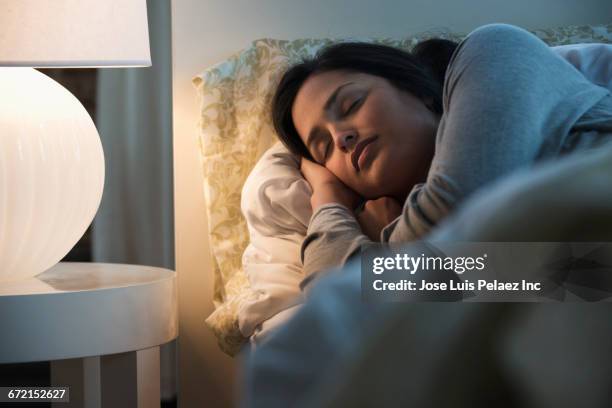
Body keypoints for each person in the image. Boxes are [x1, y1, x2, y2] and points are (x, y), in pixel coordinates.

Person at [270, 23, 612, 290]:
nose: (340, 137)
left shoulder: (491, 51)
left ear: (418, 89)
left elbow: (460, 210)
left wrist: (377, 262)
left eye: (351, 105)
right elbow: (333, 305)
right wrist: (329, 202)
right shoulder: (492, 277)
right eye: (323, 148)